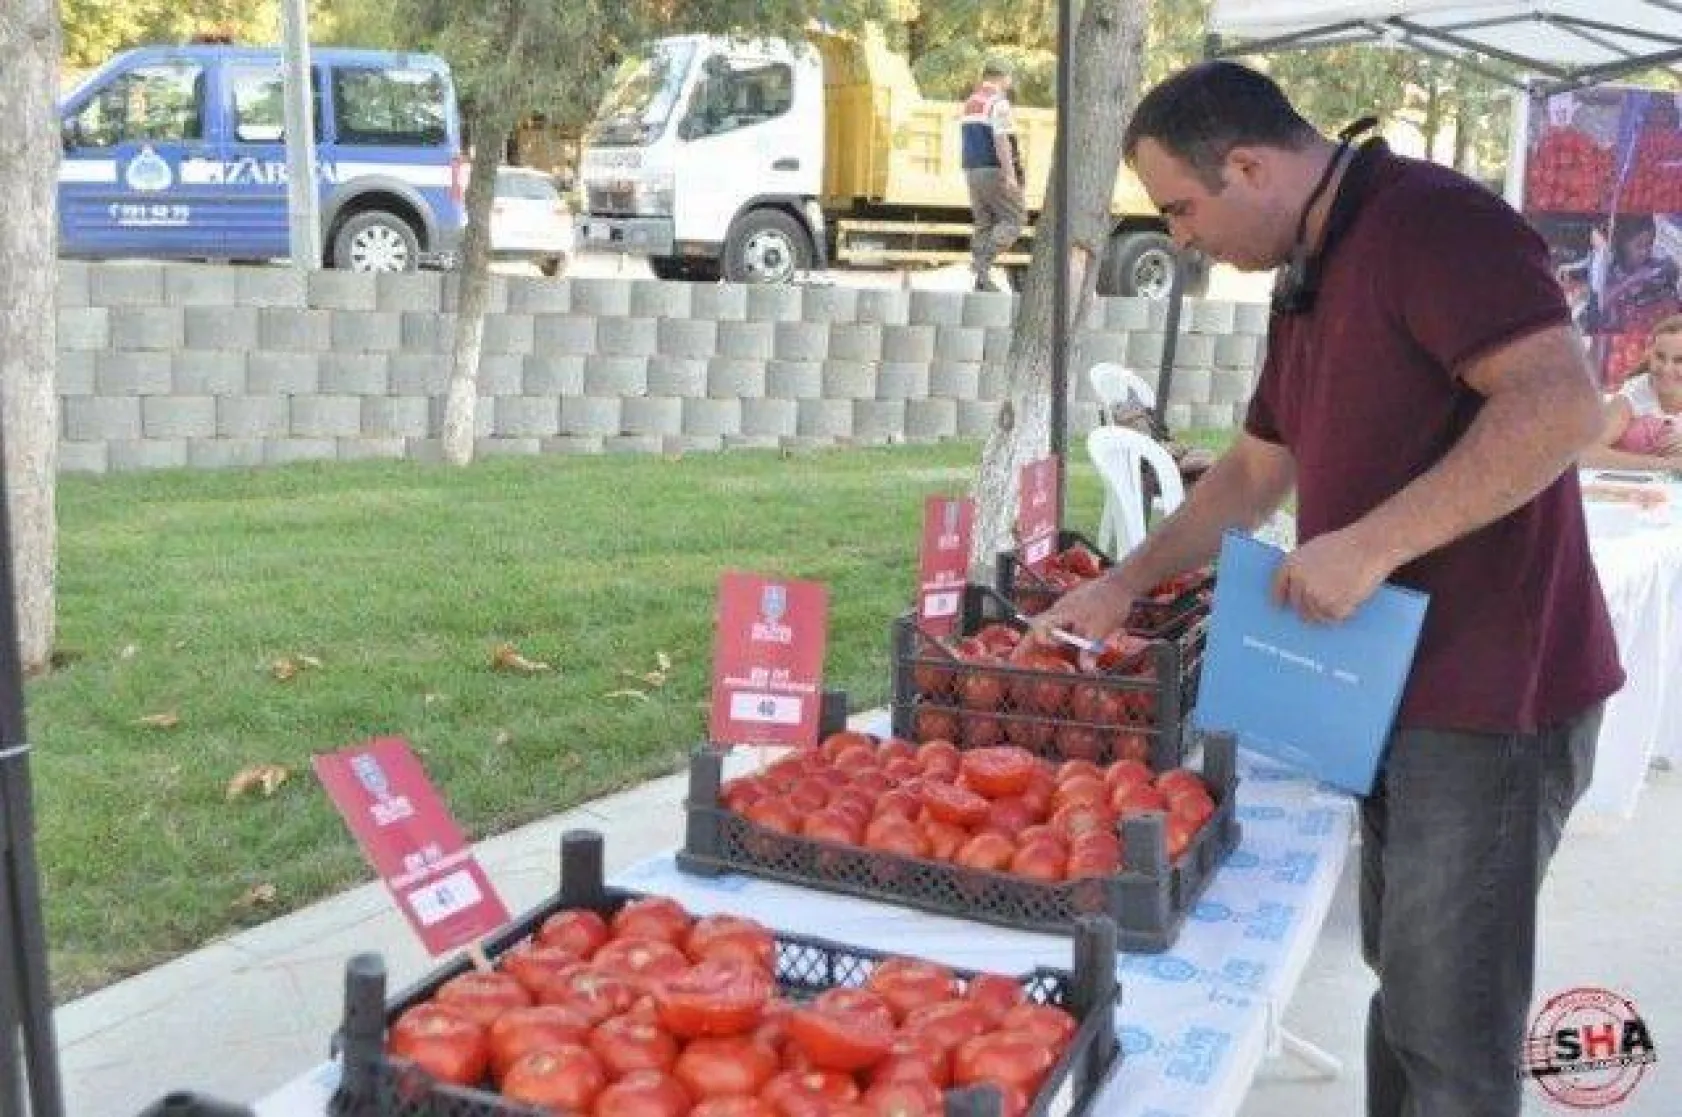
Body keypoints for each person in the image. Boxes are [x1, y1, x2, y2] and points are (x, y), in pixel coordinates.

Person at [1025, 62, 1623, 1117]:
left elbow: (1560, 408)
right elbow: (1256, 471)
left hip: (1490, 693)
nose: (1180, 237)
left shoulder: (1432, 226)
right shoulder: (1309, 263)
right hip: (1387, 686)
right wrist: (1122, 583)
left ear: (1248, 166)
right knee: (1408, 992)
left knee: (1450, 1027)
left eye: (1181, 206)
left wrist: (1370, 543)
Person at [1581, 314, 1682, 469]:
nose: (1666, 369)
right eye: (1660, 357)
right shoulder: (1631, 396)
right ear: (1650, 354)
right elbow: (1585, 453)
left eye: (1679, 360)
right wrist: (1665, 465)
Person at [960, 58, 1024, 293]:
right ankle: (981, 264)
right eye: (1009, 77)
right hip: (993, 169)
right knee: (1014, 220)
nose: (1010, 81)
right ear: (1002, 77)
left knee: (984, 223)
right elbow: (1002, 140)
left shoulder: (971, 102)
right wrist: (1009, 176)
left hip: (972, 170)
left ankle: (982, 281)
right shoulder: (999, 103)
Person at [1591, 214, 1680, 335]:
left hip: (1652, 331)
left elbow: (1670, 301)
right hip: (1621, 336)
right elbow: (1600, 304)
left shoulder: (1654, 266)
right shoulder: (1611, 267)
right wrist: (1632, 280)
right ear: (1623, 245)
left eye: (1649, 244)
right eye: (1639, 246)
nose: (1645, 251)